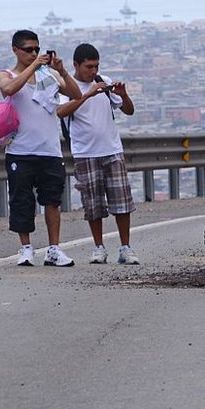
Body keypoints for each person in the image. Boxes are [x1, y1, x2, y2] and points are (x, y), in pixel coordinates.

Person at [0, 30, 82, 266]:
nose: (34, 53)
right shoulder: (6, 74)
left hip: (50, 150)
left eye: (37, 49)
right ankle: (25, 248)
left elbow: (75, 94)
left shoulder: (50, 76)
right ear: (15, 50)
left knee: (52, 201)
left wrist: (61, 71)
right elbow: (9, 89)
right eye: (29, 50)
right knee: (22, 201)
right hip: (20, 150)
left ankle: (54, 249)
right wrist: (33, 66)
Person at [57, 43, 139, 264]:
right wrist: (87, 95)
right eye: (88, 67)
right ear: (76, 65)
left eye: (96, 66)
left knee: (121, 201)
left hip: (112, 149)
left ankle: (125, 247)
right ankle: (98, 247)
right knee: (93, 204)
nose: (93, 71)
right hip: (85, 152)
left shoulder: (104, 81)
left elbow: (128, 110)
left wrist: (123, 95)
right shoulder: (68, 86)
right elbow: (61, 112)